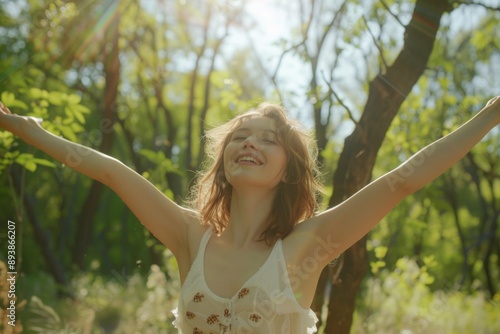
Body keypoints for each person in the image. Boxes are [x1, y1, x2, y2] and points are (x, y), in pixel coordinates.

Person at [0, 96, 499, 333]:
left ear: (288, 171)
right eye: (240, 136)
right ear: (223, 162)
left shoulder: (308, 245)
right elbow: (109, 171)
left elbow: (401, 181)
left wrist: (492, 113)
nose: (249, 142)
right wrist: (26, 129)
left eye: (268, 139)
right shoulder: (188, 234)